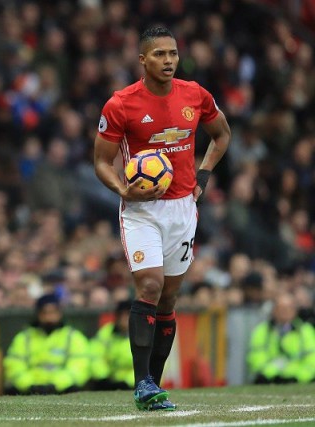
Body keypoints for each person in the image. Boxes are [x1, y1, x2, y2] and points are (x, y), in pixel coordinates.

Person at [93, 26, 231, 410]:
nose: (168, 60)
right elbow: (101, 161)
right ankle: (142, 383)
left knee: (169, 298)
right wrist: (123, 189)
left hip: (183, 208)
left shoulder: (195, 94)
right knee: (150, 287)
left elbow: (221, 135)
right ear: (143, 60)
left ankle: (153, 383)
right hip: (141, 211)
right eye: (159, 54)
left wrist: (202, 175)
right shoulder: (120, 104)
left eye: (172, 53)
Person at [3, 294, 90, 395]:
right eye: (44, 313)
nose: (49, 317)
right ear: (38, 314)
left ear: (60, 313)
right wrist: (30, 385)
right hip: (28, 391)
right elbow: (14, 366)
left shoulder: (74, 337)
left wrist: (56, 385)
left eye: (53, 312)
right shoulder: (23, 338)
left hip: (64, 390)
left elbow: (79, 367)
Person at [247, 293, 315, 384]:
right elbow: (256, 357)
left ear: (295, 311)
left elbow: (312, 360)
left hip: (298, 381)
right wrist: (269, 375)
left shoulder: (305, 331)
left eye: (289, 308)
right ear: (274, 310)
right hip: (268, 381)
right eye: (281, 308)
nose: (285, 312)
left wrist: (297, 377)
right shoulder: (262, 331)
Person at [89, 299, 134, 391]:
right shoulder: (106, 332)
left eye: (128, 314)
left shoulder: (144, 335)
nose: (124, 318)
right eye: (121, 314)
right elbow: (95, 356)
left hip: (134, 385)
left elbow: (149, 366)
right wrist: (103, 377)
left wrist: (128, 381)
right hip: (109, 382)